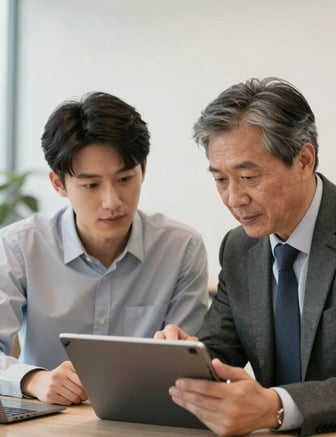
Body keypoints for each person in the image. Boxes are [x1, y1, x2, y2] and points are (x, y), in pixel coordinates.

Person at [155, 77, 336, 436]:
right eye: (221, 180)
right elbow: (220, 350)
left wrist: (277, 407)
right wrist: (186, 358)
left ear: (304, 160)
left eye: (248, 176)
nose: (234, 199)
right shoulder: (239, 247)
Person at [0, 91, 209, 405]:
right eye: (91, 185)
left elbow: (189, 364)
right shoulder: (19, 247)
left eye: (125, 178)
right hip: (52, 423)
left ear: (144, 169)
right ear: (59, 184)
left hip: (146, 420)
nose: (112, 202)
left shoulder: (181, 248)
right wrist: (34, 379)